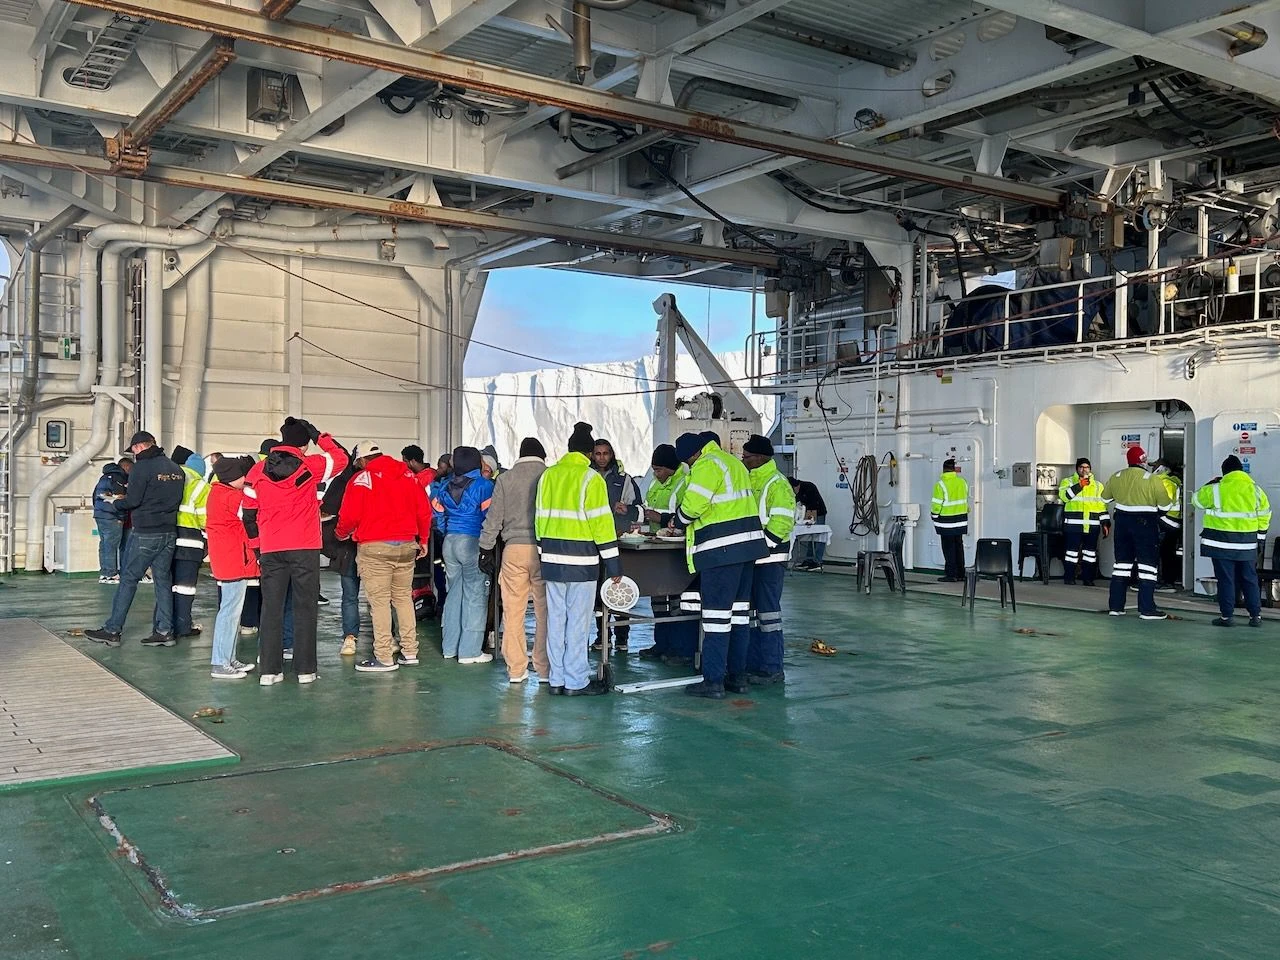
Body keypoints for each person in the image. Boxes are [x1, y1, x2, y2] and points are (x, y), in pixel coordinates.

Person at [243, 417, 349, 685]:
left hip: (271, 548)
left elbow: (248, 514)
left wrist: (257, 549)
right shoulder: (311, 465)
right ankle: (305, 670)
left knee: (271, 609)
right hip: (304, 548)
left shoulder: (257, 471)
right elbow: (342, 457)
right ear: (304, 444)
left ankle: (269, 670)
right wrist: (320, 436)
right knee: (304, 608)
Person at [672, 431, 768, 699]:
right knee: (738, 616)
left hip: (720, 551)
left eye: (687, 462)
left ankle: (713, 681)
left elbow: (693, 507)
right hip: (747, 549)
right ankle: (737, 677)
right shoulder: (732, 462)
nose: (689, 467)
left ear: (693, 455)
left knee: (715, 618)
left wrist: (677, 521)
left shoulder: (706, 465)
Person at [534, 422, 616, 696]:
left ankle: (556, 680)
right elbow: (602, 524)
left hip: (552, 560)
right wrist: (614, 563)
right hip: (582, 563)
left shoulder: (548, 476)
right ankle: (576, 681)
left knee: (555, 620)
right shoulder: (592, 479)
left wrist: (542, 551)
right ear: (590, 453)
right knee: (578, 622)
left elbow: (539, 519)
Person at [338, 441, 432, 672]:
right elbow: (424, 511)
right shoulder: (409, 476)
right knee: (402, 598)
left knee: (379, 602)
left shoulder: (362, 479)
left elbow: (349, 516)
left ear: (361, 460)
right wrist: (423, 540)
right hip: (407, 546)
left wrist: (341, 534)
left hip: (375, 547)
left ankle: (384, 657)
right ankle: (410, 652)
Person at [85, 432, 185, 648]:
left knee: (129, 579)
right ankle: (164, 630)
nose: (135, 454)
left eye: (134, 450)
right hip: (168, 531)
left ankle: (112, 630)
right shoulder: (176, 469)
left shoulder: (142, 467)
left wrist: (115, 503)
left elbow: (133, 500)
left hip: (146, 532)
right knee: (163, 580)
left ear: (139, 447)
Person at [479, 437, 549, 683]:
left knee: (513, 611)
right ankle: (543, 668)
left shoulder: (505, 479)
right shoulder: (550, 476)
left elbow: (493, 518)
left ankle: (516, 670)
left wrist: (485, 548)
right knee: (545, 611)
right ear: (542, 455)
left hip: (513, 551)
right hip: (545, 551)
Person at [1190, 455, 1271, 627]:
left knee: (1225, 579)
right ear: (1241, 470)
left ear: (1224, 472)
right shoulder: (1256, 490)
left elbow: (1195, 501)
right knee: (1249, 578)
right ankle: (1255, 617)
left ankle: (1227, 616)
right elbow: (1265, 516)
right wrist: (1260, 540)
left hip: (1220, 544)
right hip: (1247, 544)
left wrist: (1209, 483)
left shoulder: (1215, 489)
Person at [432, 446, 494, 663]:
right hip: (472, 541)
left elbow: (437, 513)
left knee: (454, 596)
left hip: (450, 541)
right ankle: (470, 652)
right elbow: (490, 518)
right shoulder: (484, 486)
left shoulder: (444, 485)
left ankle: (450, 648)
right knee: (475, 596)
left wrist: (446, 531)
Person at [742, 435, 796, 684]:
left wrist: (760, 548)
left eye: (748, 456)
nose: (744, 460)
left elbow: (782, 521)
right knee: (752, 614)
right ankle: (753, 665)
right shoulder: (748, 481)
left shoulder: (777, 483)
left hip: (769, 560)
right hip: (752, 558)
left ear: (761, 457)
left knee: (768, 615)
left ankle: (772, 668)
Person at [1103, 445, 1174, 620]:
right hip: (1145, 524)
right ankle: (1147, 609)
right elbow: (1165, 506)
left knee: (1121, 565)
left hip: (1121, 524)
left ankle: (1116, 607)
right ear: (1142, 461)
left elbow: (1104, 498)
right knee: (1147, 566)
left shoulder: (1116, 476)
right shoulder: (1152, 479)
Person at [205, 455, 259, 679]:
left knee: (232, 612)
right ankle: (220, 662)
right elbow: (254, 512)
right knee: (229, 612)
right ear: (234, 478)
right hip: (233, 560)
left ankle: (228, 658)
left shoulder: (218, 493)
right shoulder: (232, 498)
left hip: (228, 559)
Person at [640, 443, 693, 662]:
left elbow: (686, 513)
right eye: (654, 469)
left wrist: (659, 519)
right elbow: (646, 508)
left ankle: (678, 647)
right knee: (658, 598)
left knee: (678, 601)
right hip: (656, 547)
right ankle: (661, 644)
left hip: (677, 549)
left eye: (659, 469)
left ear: (671, 468)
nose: (656, 474)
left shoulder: (684, 484)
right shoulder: (654, 484)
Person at [591, 438, 642, 651]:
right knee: (597, 593)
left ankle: (622, 636)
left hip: (618, 541)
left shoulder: (624, 479)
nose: (602, 457)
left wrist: (626, 511)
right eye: (598, 453)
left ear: (612, 455)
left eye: (606, 453)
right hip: (593, 541)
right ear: (592, 455)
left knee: (619, 588)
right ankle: (603, 636)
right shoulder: (587, 477)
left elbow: (638, 508)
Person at [320, 440, 360, 656]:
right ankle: (388, 638)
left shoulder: (342, 481)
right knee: (382, 597)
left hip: (347, 546)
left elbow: (325, 511)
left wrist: (339, 533)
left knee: (350, 594)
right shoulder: (383, 479)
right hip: (376, 544)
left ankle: (350, 637)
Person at [166, 445, 211, 639]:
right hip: (190, 541)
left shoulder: (170, 479)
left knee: (166, 585)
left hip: (166, 537)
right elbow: (205, 519)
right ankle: (183, 626)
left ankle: (163, 625)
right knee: (185, 587)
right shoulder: (201, 486)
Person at [1059, 457, 1110, 586]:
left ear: (1090, 469)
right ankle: (1069, 577)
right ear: (1077, 469)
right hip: (1073, 525)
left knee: (1090, 554)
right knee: (1071, 553)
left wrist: (1105, 523)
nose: (1084, 469)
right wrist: (1079, 486)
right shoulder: (1068, 481)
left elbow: (1101, 506)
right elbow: (1064, 497)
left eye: (1087, 467)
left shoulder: (1098, 485)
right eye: (1081, 467)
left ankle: (1088, 578)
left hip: (1092, 526)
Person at [930, 459, 969, 582]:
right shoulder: (962, 482)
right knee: (959, 546)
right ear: (954, 469)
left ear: (943, 469)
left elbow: (937, 504)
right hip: (961, 520)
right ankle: (961, 573)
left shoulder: (940, 484)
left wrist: (934, 516)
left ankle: (951, 574)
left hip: (946, 522)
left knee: (948, 548)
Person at [93, 458, 130, 583]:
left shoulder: (103, 478)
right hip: (112, 516)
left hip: (100, 515)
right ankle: (111, 574)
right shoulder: (118, 478)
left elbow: (95, 496)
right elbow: (119, 498)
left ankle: (104, 573)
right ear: (125, 467)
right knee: (111, 545)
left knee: (104, 544)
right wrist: (120, 516)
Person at [788, 476, 828, 570]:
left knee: (818, 536)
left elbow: (813, 504)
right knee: (810, 537)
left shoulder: (809, 487)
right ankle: (809, 559)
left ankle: (817, 561)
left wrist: (809, 518)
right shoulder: (796, 493)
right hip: (808, 512)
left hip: (818, 512)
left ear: (795, 486)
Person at [1155, 463, 1184, 589]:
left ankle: (1167, 581)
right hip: (1172, 520)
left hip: (1168, 520)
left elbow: (1164, 503)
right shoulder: (1169, 481)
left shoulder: (1166, 482)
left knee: (1165, 552)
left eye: (1155, 467)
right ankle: (1167, 580)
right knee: (1167, 552)